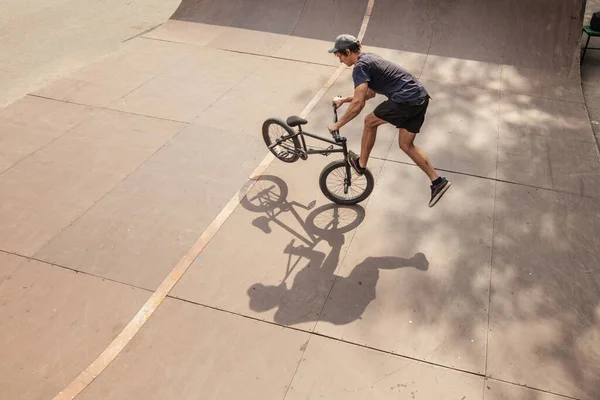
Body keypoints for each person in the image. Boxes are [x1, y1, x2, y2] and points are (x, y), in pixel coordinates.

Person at [326, 34, 451, 207]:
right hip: (420, 97)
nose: (339, 60)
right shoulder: (369, 58)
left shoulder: (360, 67)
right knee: (406, 145)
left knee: (369, 121)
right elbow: (368, 94)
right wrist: (343, 100)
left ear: (347, 51)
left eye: (339, 55)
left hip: (406, 99)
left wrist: (337, 125)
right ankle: (438, 182)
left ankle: (361, 164)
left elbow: (359, 103)